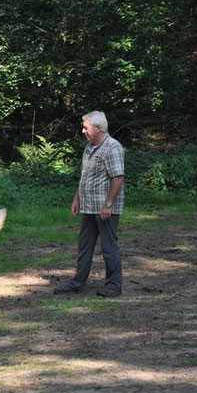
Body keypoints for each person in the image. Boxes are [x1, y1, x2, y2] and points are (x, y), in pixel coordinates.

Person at [54, 111, 125, 297]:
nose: (83, 131)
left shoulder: (112, 147)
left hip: (105, 209)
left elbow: (118, 177)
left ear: (97, 128)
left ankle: (114, 286)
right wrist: (76, 199)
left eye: (85, 127)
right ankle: (78, 282)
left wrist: (108, 204)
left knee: (109, 247)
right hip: (89, 206)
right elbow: (85, 177)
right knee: (84, 245)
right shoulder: (90, 147)